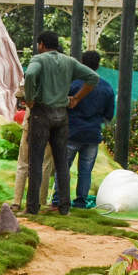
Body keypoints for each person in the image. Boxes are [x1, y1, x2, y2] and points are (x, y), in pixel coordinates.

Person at [23, 30, 100, 215]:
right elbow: (93, 78)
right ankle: (64, 207)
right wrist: (76, 98)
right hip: (62, 115)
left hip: (41, 113)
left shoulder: (38, 60)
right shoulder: (69, 61)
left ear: (41, 44)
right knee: (61, 163)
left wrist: (30, 98)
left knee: (36, 160)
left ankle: (32, 207)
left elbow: (30, 75)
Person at [64, 49, 115, 209]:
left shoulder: (72, 84)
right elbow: (109, 115)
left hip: (72, 132)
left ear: (80, 63)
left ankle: (59, 200)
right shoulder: (107, 87)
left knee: (63, 168)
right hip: (93, 134)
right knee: (85, 171)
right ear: (98, 65)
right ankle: (80, 201)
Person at [12, 82, 53, 213]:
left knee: (23, 164)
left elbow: (19, 94)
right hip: (50, 126)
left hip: (31, 125)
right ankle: (41, 201)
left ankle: (16, 202)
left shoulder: (33, 75)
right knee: (45, 165)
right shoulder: (59, 78)